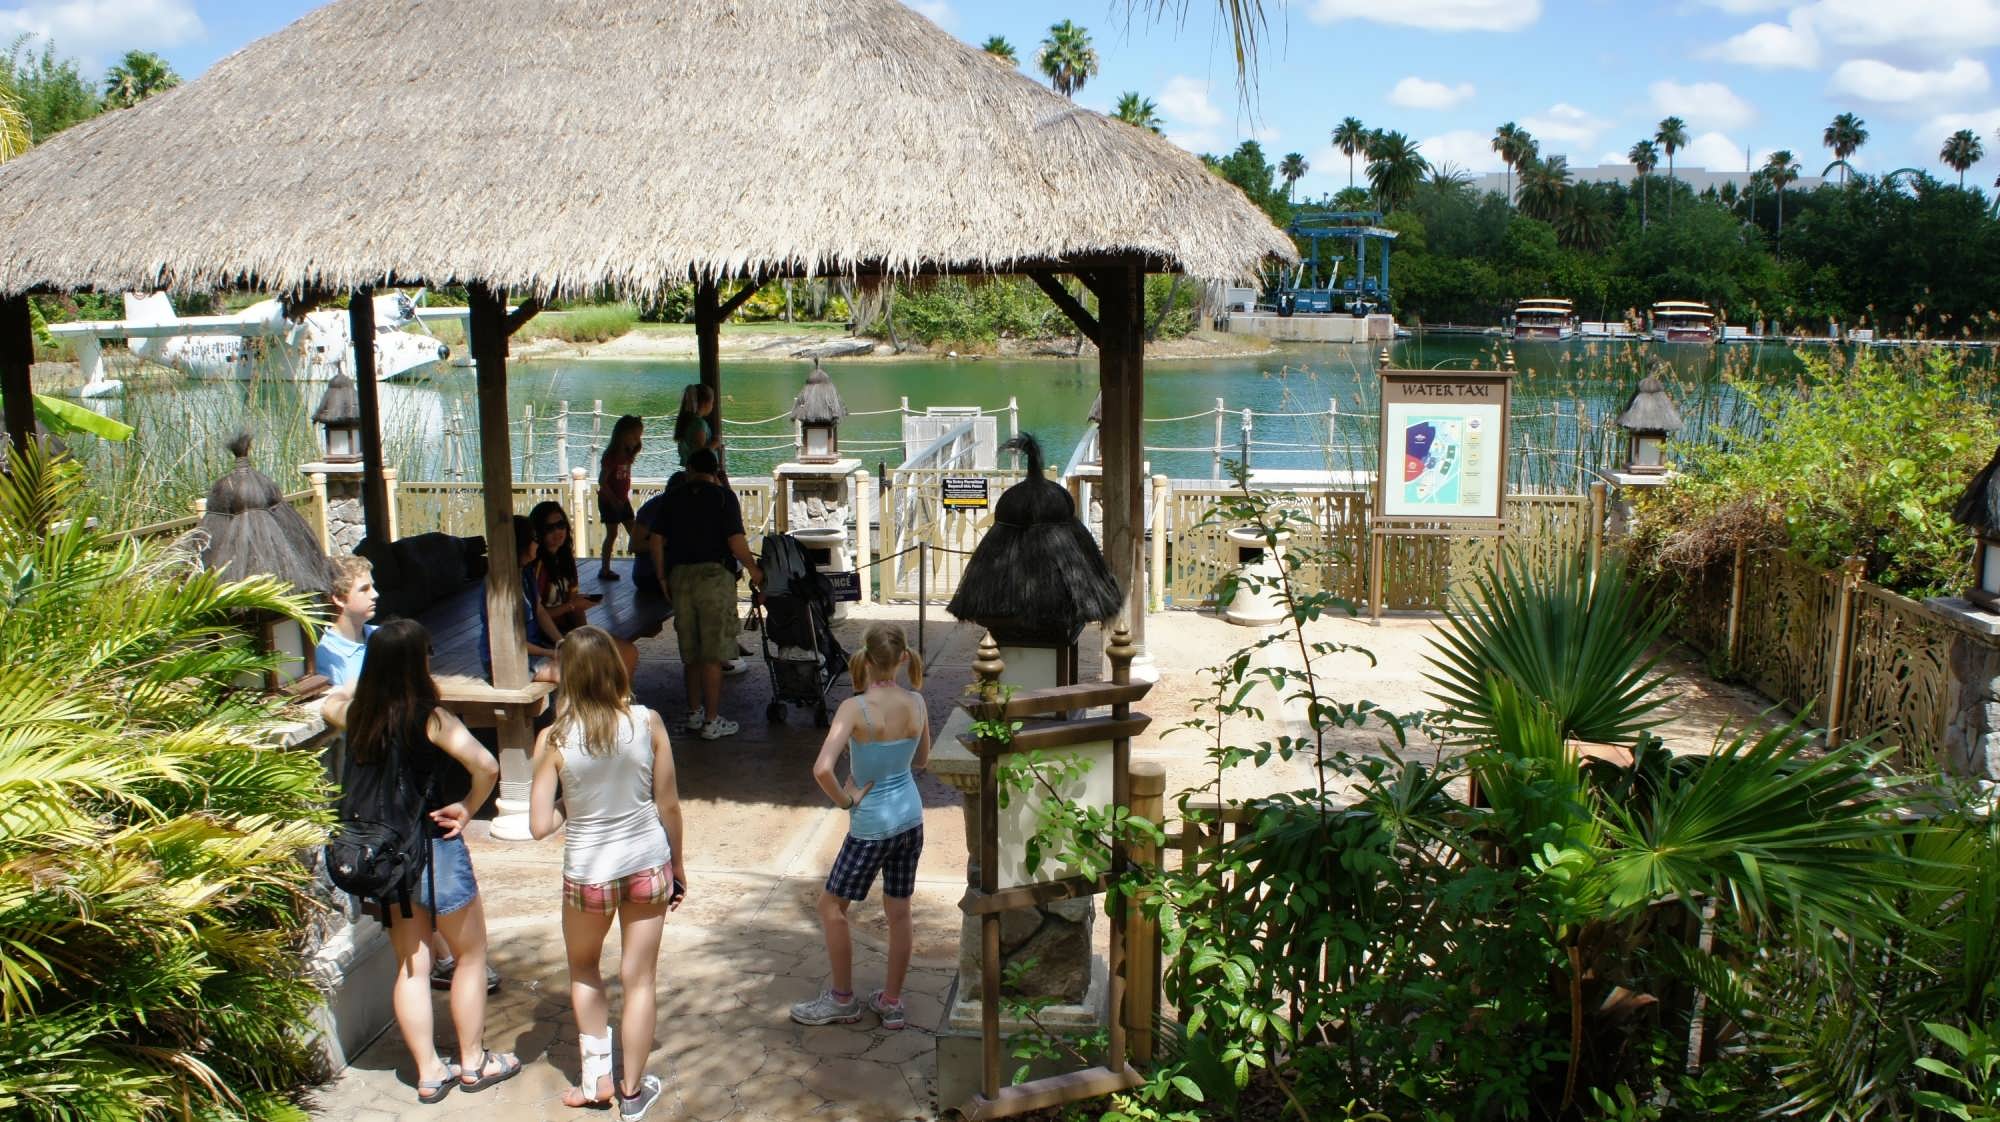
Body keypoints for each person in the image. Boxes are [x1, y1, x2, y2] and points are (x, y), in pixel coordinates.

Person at [322, 620, 519, 1103]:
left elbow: (329, 702)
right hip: (433, 847)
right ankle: (473, 1062)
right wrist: (469, 807)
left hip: (386, 860)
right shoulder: (432, 719)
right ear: (418, 664)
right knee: (470, 957)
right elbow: (487, 766)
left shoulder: (360, 715)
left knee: (411, 965)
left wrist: (361, 679)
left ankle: (430, 1071)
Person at [529, 627, 685, 1120]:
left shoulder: (552, 739)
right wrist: (678, 865)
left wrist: (569, 804)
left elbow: (539, 825)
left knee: (584, 970)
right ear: (615, 668)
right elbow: (670, 805)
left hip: (588, 873)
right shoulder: (647, 722)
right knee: (639, 979)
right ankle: (634, 1092)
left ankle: (596, 1080)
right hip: (646, 861)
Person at [791, 624, 930, 1029]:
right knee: (899, 910)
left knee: (831, 906)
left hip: (870, 826)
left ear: (866, 659)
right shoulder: (918, 703)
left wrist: (846, 799)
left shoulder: (855, 708)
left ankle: (841, 999)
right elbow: (921, 760)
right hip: (910, 819)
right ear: (904, 658)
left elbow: (822, 769)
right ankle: (891, 1001)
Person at [648, 448, 762, 739]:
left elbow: (657, 540)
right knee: (712, 652)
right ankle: (712, 720)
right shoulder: (723, 497)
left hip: (680, 577)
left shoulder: (672, 497)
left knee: (691, 651)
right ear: (716, 472)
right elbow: (735, 541)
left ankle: (694, 713)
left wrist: (662, 576)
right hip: (714, 577)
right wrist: (753, 569)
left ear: (688, 469)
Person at [480, 514, 560, 684]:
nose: (538, 544)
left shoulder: (527, 571)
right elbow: (509, 639)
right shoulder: (498, 583)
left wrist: (561, 642)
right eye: (534, 539)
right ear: (521, 543)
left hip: (533, 649)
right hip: (507, 658)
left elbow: (539, 610)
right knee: (574, 673)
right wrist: (549, 653)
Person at [316, 554, 378, 687]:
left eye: (372, 587)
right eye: (364, 589)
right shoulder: (327, 655)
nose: (375, 594)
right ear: (339, 599)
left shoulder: (383, 635)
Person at [597, 415, 643, 583]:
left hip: (622, 499)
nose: (637, 440)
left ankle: (642, 562)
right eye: (634, 436)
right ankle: (605, 568)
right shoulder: (611, 456)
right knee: (612, 533)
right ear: (623, 435)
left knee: (634, 530)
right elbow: (602, 481)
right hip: (609, 500)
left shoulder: (627, 454)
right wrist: (613, 499)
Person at [672, 384, 722, 469]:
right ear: (704, 403)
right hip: (701, 472)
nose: (712, 406)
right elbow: (699, 454)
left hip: (692, 471)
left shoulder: (687, 421)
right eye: (712, 402)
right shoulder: (698, 424)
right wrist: (715, 443)